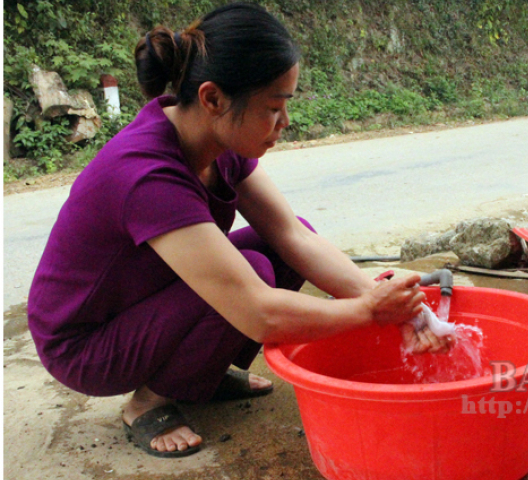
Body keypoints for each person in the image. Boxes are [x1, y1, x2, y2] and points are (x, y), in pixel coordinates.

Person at [27, 2, 451, 459]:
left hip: (147, 302)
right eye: (274, 107)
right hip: (86, 345)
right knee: (253, 274)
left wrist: (390, 303)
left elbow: (294, 237)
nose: (285, 123)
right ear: (212, 98)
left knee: (277, 249)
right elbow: (258, 313)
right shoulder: (146, 173)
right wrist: (370, 312)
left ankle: (200, 375)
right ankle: (150, 401)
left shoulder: (215, 139)